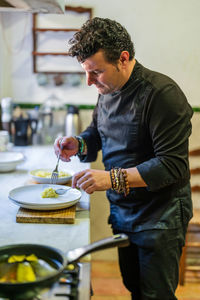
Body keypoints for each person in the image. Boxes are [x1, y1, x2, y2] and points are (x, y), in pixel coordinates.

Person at [54, 17, 193, 300]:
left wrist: (111, 178)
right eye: (86, 72)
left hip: (160, 215)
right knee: (134, 288)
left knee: (156, 295)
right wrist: (78, 143)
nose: (89, 81)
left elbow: (172, 165)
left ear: (123, 58)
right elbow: (97, 133)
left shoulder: (162, 94)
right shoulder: (107, 89)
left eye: (96, 72)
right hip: (124, 211)